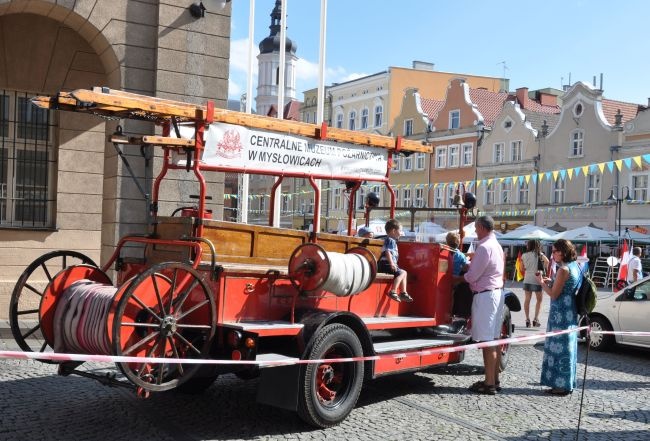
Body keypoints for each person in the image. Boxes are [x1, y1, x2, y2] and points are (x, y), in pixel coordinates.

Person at [461, 216, 505, 395]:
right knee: (493, 340)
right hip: (495, 293)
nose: (476, 232)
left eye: (476, 228)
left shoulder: (485, 247)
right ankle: (494, 379)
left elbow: (473, 276)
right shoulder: (496, 245)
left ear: (481, 227)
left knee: (488, 342)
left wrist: (460, 276)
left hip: (486, 295)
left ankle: (489, 383)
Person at [535, 239, 580, 396]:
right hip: (569, 311)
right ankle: (566, 383)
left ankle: (560, 385)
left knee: (559, 349)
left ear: (563, 252)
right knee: (567, 348)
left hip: (560, 314)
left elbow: (554, 294)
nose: (552, 254)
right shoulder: (575, 266)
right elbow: (565, 286)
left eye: (555, 251)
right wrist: (551, 281)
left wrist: (541, 282)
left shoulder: (563, 270)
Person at [378, 219, 412, 303]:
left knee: (404, 272)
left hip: (386, 264)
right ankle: (393, 291)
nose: (401, 233)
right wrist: (392, 263)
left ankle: (403, 292)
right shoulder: (391, 240)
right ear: (393, 231)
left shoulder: (391, 240)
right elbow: (387, 251)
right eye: (400, 230)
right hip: (386, 264)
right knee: (402, 273)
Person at [522, 240, 549, 328]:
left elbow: (522, 268)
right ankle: (535, 319)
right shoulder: (539, 254)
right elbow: (547, 262)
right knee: (539, 300)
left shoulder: (524, 255)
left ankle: (527, 320)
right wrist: (543, 268)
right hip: (537, 278)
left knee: (527, 299)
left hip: (527, 278)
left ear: (529, 246)